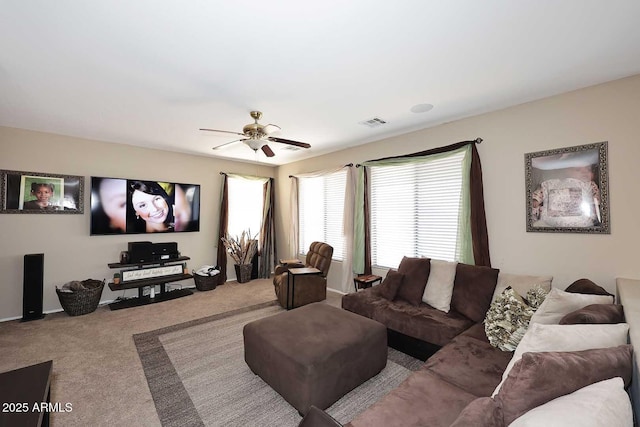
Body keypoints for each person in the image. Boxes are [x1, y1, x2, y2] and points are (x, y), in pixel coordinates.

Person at [531, 165, 601, 226]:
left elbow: (596, 198)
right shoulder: (554, 183)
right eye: (578, 170)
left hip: (582, 220)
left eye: (588, 169)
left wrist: (596, 205)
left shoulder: (589, 185)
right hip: (551, 219)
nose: (585, 172)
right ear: (567, 172)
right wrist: (536, 199)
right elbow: (542, 190)